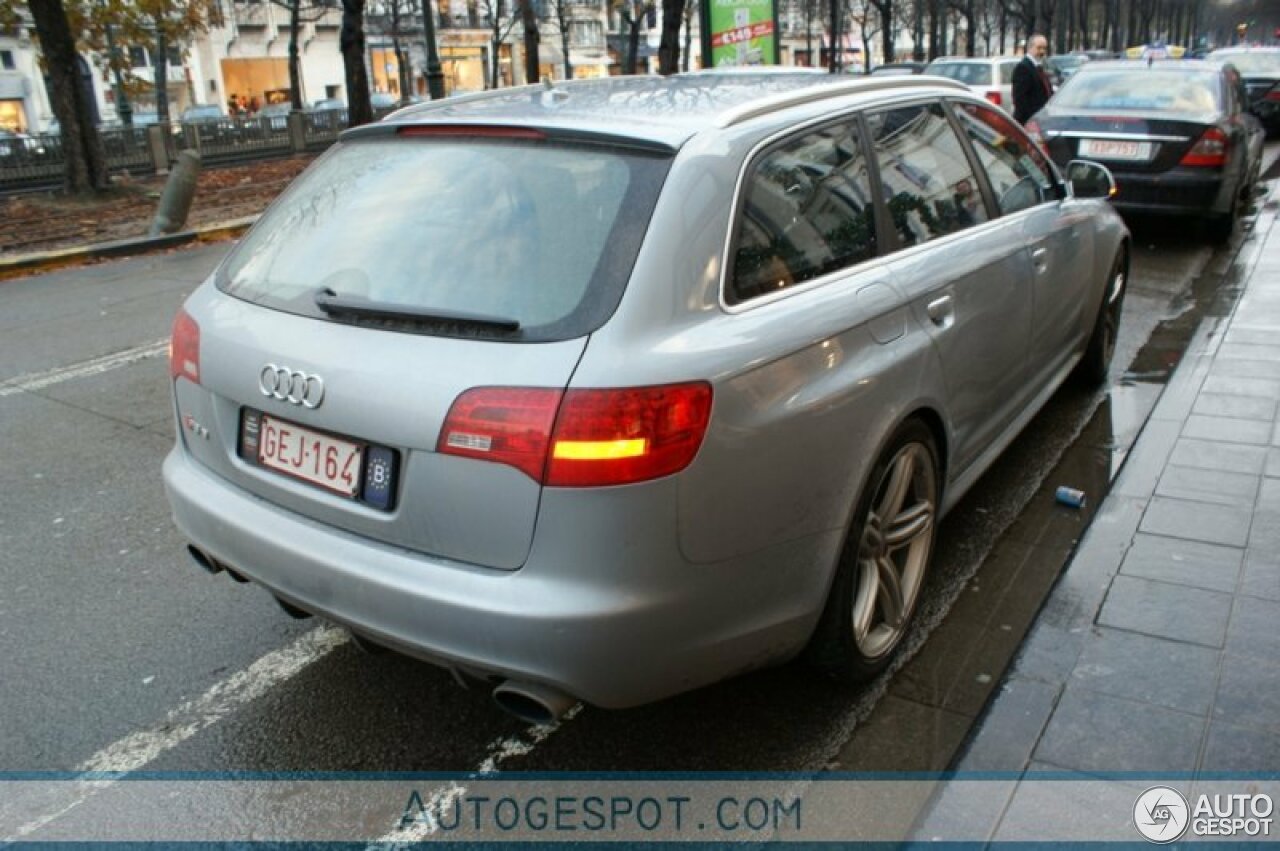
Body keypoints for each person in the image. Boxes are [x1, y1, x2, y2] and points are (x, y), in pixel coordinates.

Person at [1012, 35, 1053, 124]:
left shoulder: (1038, 67)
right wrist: (1032, 119)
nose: (1042, 51)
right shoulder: (1023, 68)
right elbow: (1020, 99)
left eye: (1044, 48)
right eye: (1039, 48)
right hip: (1028, 121)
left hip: (1040, 119)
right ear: (1030, 48)